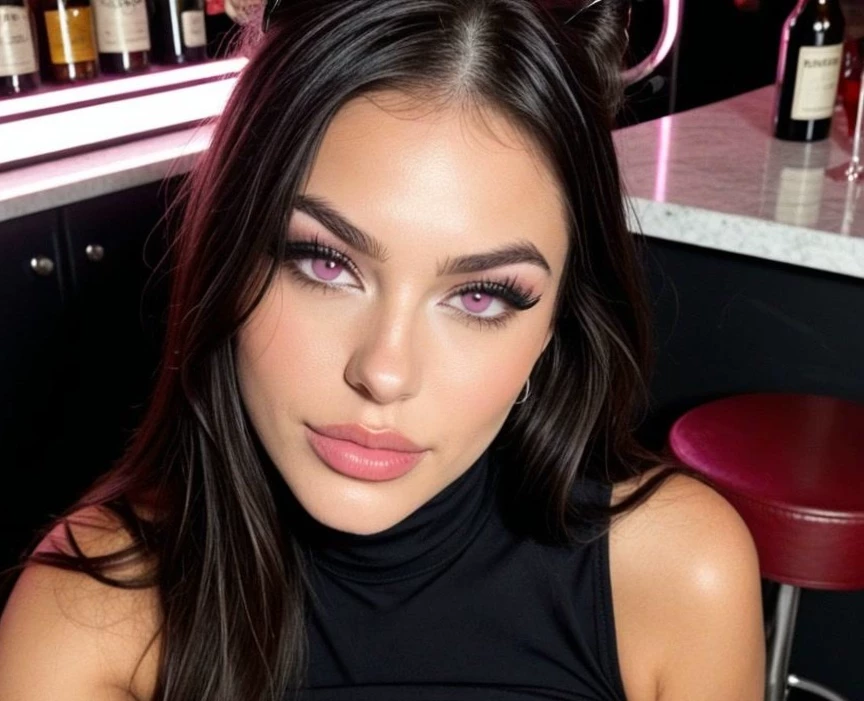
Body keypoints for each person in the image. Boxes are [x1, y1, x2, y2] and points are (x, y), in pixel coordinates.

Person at [0, 1, 765, 699]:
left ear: (554, 327)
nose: (384, 372)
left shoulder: (677, 575)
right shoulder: (86, 614)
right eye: (324, 263)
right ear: (230, 262)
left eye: (481, 296)